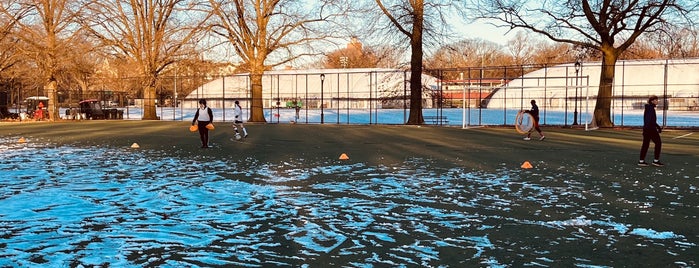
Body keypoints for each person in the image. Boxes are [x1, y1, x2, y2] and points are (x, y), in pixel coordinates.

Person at [638, 95, 663, 167]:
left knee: (645, 145)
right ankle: (656, 161)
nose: (657, 101)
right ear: (652, 101)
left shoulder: (650, 108)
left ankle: (641, 161)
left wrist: (658, 127)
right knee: (658, 143)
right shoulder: (650, 108)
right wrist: (652, 128)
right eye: (656, 100)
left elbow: (651, 120)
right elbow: (648, 120)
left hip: (648, 129)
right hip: (650, 129)